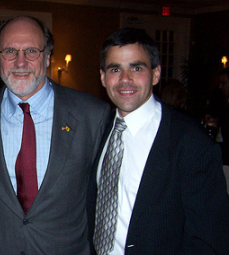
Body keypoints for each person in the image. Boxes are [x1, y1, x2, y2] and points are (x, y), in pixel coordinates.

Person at [0, 16, 109, 254]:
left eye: (32, 51)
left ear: (48, 57)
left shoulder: (92, 115)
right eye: (10, 51)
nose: (20, 62)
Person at [87, 28, 229, 255]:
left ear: (155, 74)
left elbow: (208, 239)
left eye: (137, 67)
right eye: (115, 69)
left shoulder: (192, 144)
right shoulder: (96, 129)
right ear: (103, 77)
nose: (125, 79)